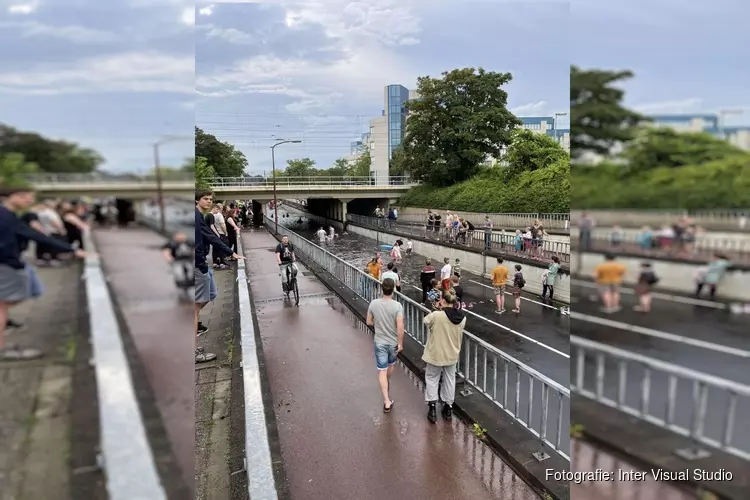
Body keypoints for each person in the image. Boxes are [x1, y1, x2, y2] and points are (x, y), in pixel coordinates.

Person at [0, 187, 88, 360]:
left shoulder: (7, 215)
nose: (30, 201)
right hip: (5, 264)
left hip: (8, 263)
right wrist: (72, 250)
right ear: (12, 197)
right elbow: (35, 235)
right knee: (3, 305)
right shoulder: (6, 217)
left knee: (8, 301)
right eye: (26, 197)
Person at [195, 189, 243, 363]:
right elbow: (205, 238)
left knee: (210, 295)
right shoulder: (195, 216)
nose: (209, 202)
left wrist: (230, 252)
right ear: (197, 201)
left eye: (210, 199)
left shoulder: (199, 216)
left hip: (201, 264)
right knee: (194, 308)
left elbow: (208, 236)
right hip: (197, 264)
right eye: (205, 199)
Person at [422, 290, 466, 423]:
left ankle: (432, 407)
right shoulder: (462, 318)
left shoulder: (436, 315)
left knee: (432, 378)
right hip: (452, 354)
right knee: (449, 379)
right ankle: (448, 407)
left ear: (443, 301)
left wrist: (438, 308)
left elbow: (426, 321)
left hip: (436, 353)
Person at [366, 278, 404, 413]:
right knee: (391, 365)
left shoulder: (374, 304)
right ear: (393, 289)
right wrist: (400, 343)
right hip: (393, 342)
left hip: (380, 341)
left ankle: (386, 401)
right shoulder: (397, 306)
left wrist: (379, 321)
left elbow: (369, 322)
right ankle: (386, 383)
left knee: (381, 369)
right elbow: (400, 327)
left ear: (382, 288)